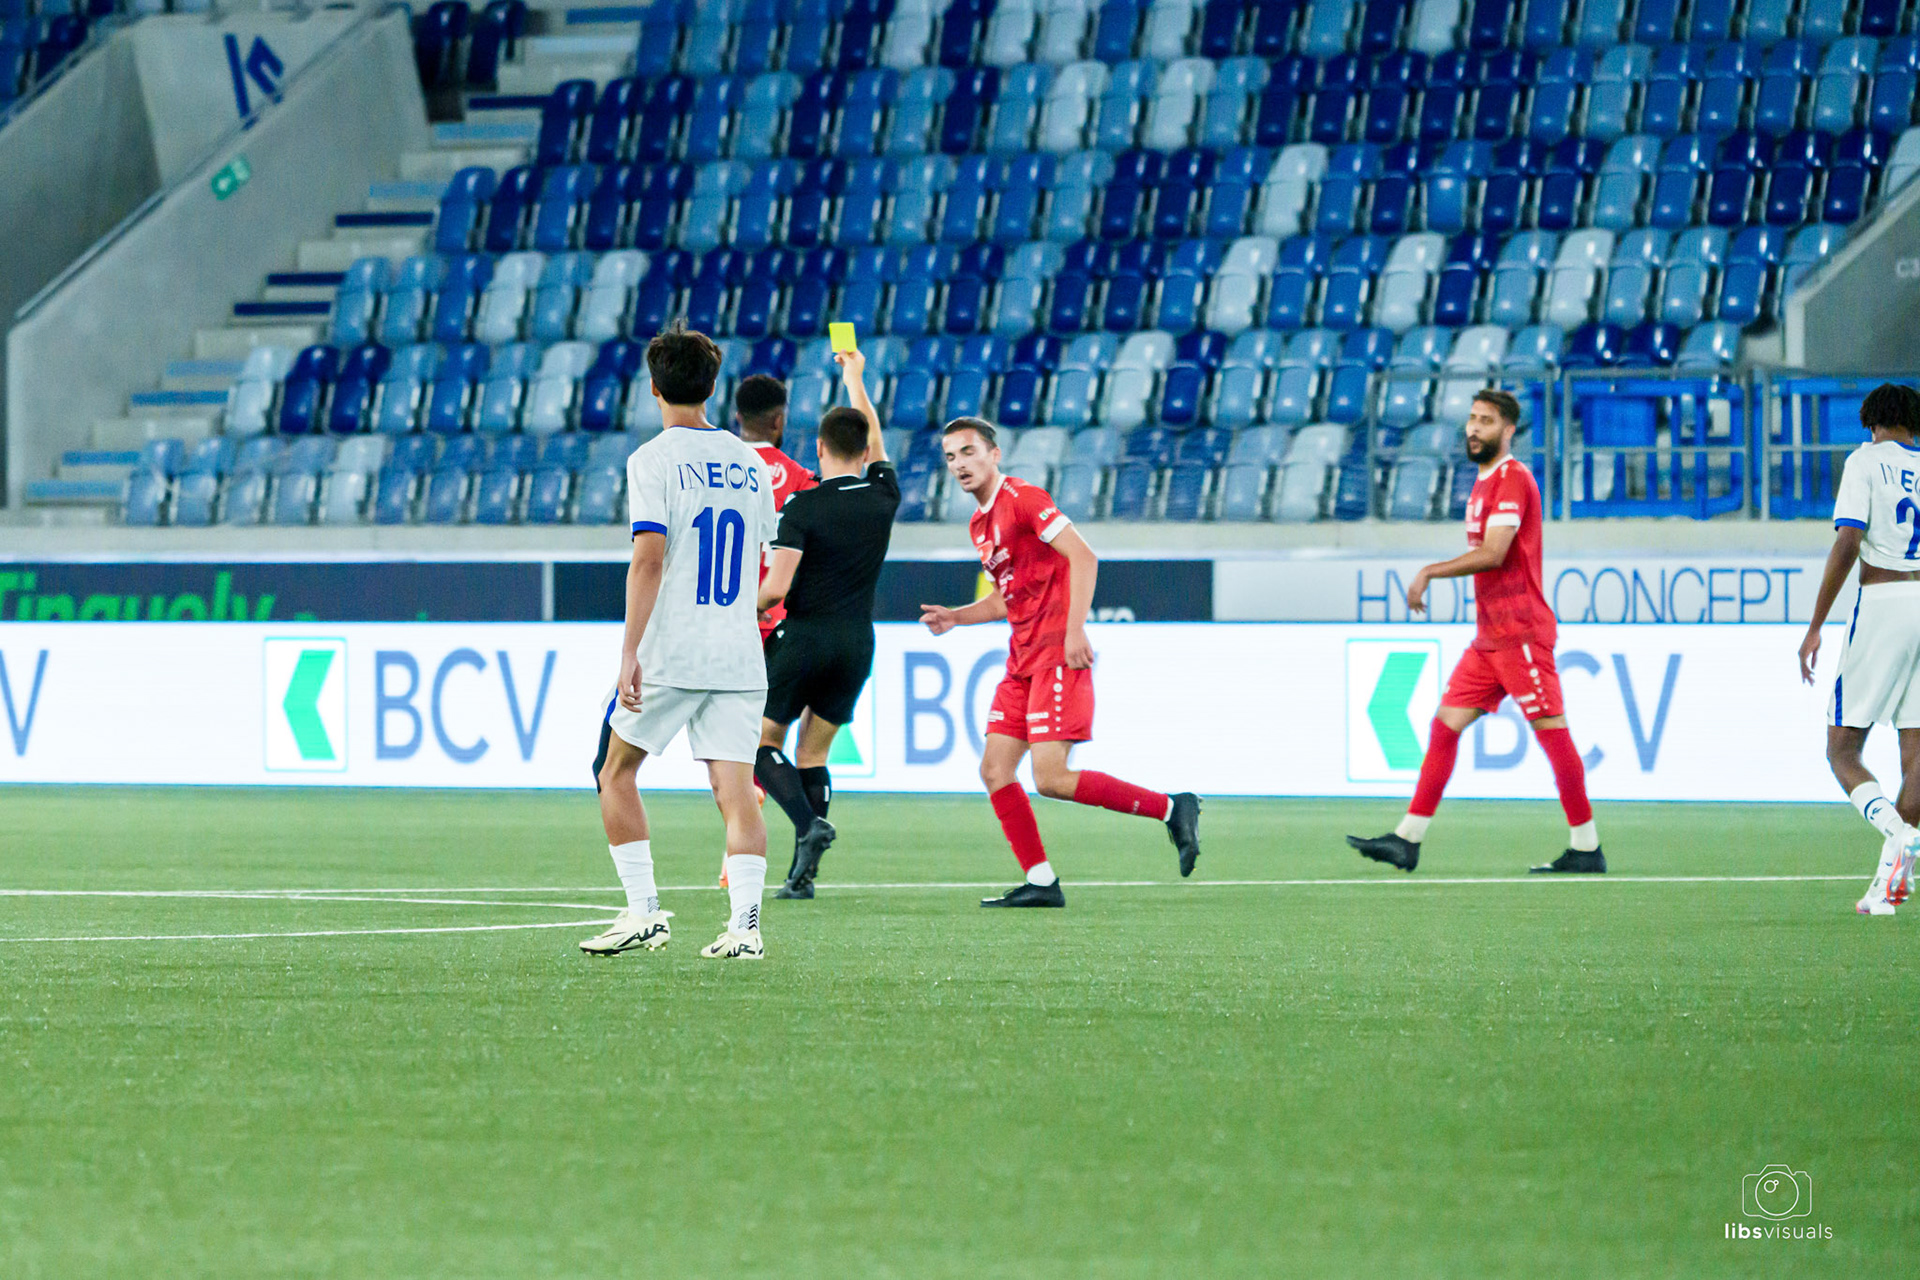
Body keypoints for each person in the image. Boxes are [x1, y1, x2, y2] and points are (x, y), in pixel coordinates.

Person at [920, 417, 1202, 907]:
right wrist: (957, 617)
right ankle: (1042, 881)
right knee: (995, 770)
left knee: (1050, 778)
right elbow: (1006, 597)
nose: (959, 464)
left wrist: (1074, 630)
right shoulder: (979, 524)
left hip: (1054, 652)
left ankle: (1172, 808)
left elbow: (1084, 557)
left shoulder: (1024, 499)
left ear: (994, 454)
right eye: (950, 457)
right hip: (1021, 658)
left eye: (968, 452)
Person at [580, 325, 779, 960]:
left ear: (654, 387)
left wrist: (629, 653)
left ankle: (643, 913)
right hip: (739, 652)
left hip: (674, 649)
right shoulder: (751, 463)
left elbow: (649, 559)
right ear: (713, 386)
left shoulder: (653, 459)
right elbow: (764, 554)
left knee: (614, 771)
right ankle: (745, 928)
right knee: (736, 790)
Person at [1347, 389, 1603, 876]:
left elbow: (1494, 554)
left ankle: (1586, 847)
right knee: (1444, 726)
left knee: (1553, 734)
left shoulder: (1512, 478)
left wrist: (1429, 572)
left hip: (1521, 633)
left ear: (1508, 430)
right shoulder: (1483, 482)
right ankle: (1408, 839)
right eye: (1471, 419)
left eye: (1486, 421)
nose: (1474, 428)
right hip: (1490, 638)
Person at [754, 348, 898, 898]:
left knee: (761, 743)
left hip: (805, 637)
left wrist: (741, 610)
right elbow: (875, 440)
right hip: (857, 643)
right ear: (865, 452)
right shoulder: (883, 496)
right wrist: (855, 378)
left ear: (818, 448)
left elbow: (776, 589)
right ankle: (802, 876)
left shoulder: (803, 506)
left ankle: (807, 824)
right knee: (813, 754)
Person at [1798, 382, 1920, 915]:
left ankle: (1898, 832)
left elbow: (1848, 540)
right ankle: (1885, 889)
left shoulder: (1865, 461)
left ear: (1871, 421)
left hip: (1885, 602)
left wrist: (1815, 626)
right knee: (1917, 753)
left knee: (1842, 749)